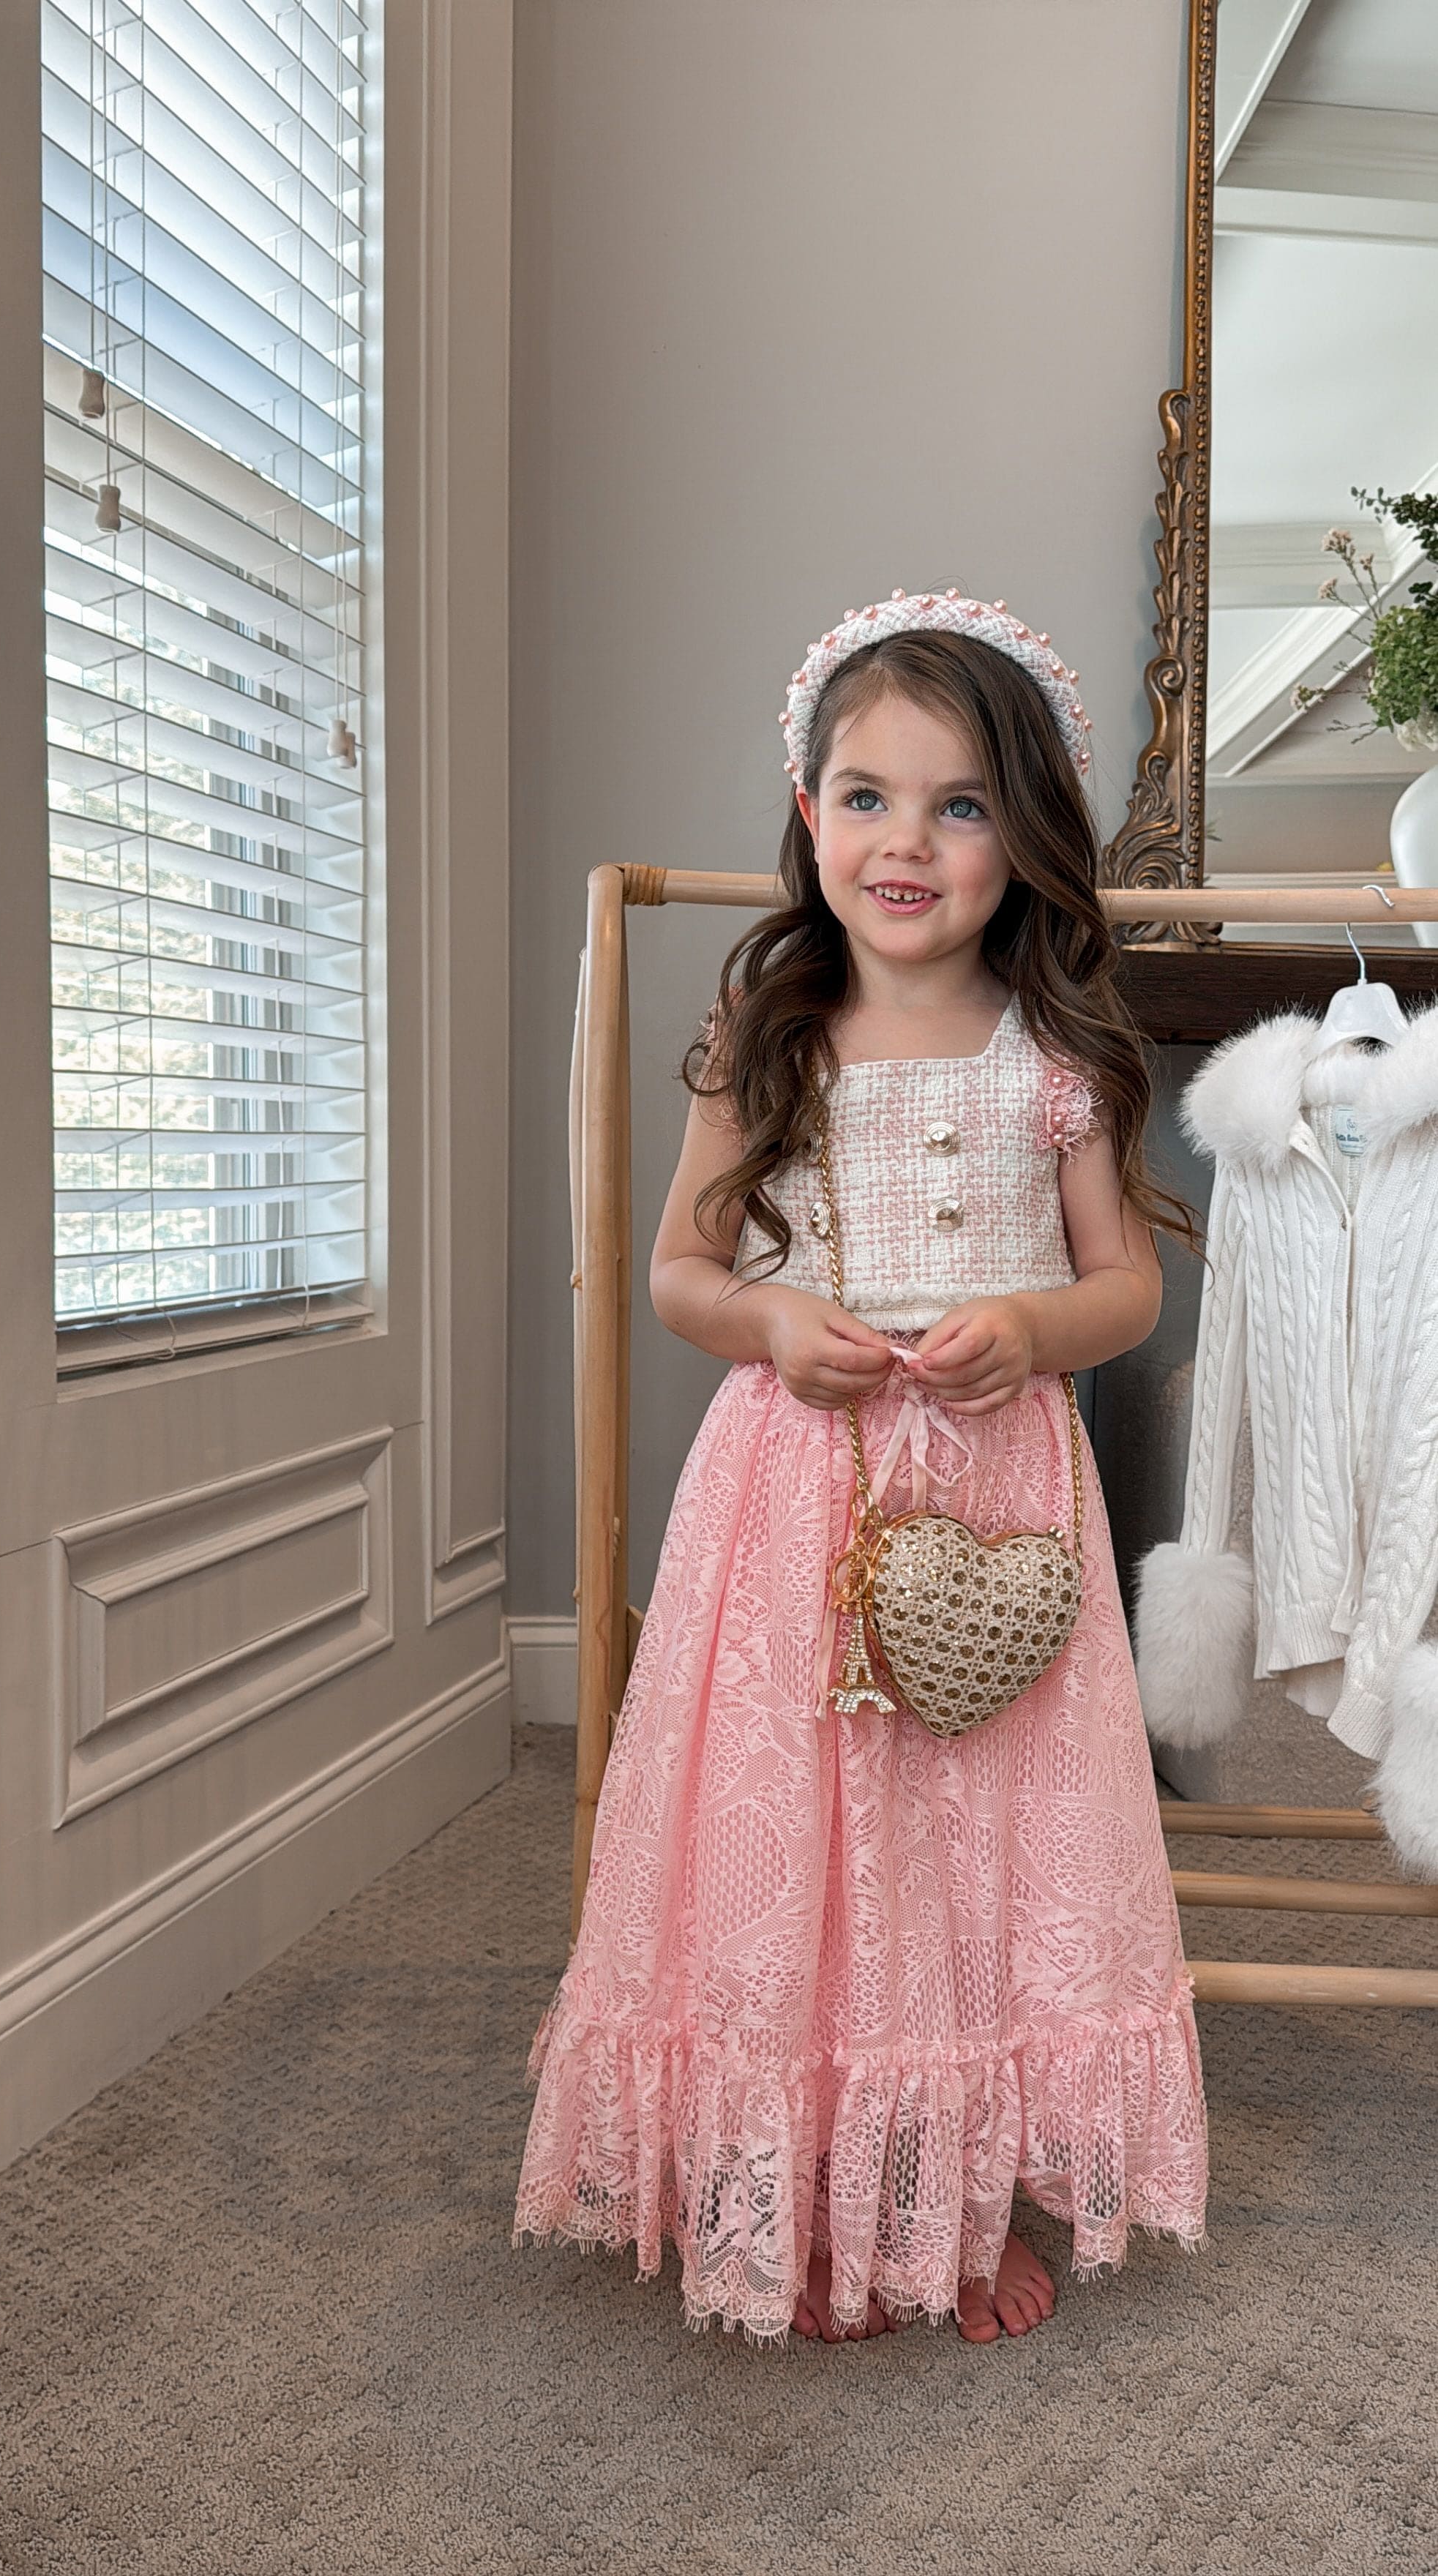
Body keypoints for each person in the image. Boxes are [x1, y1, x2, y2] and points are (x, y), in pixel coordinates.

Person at [514, 587, 1208, 2345]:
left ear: (1022, 833)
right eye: (868, 795)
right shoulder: (767, 1034)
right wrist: (766, 1318)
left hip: (995, 1492)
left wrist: (1031, 1328)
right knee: (813, 1830)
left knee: (978, 1836)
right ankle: (815, 2190)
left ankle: (956, 2204)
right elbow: (680, 1269)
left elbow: (1126, 1287)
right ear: (808, 811)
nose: (908, 841)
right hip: (794, 1492)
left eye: (960, 803)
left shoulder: (1057, 1055)